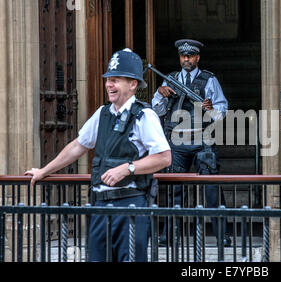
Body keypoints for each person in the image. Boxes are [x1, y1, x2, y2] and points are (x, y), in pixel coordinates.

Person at [25, 48, 171, 262]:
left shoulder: (144, 115)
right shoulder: (102, 114)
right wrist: (43, 171)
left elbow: (164, 157)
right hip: (101, 206)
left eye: (116, 80)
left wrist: (127, 168)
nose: (109, 85)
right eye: (108, 80)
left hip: (130, 205)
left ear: (133, 84)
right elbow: (77, 146)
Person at [152, 39, 231, 247]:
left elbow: (221, 114)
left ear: (197, 57)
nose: (186, 59)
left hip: (203, 139)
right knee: (173, 189)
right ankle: (169, 235)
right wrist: (161, 95)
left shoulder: (209, 80)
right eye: (183, 56)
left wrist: (210, 108)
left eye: (190, 56)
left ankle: (222, 234)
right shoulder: (169, 80)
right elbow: (157, 111)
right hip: (177, 141)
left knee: (212, 188)